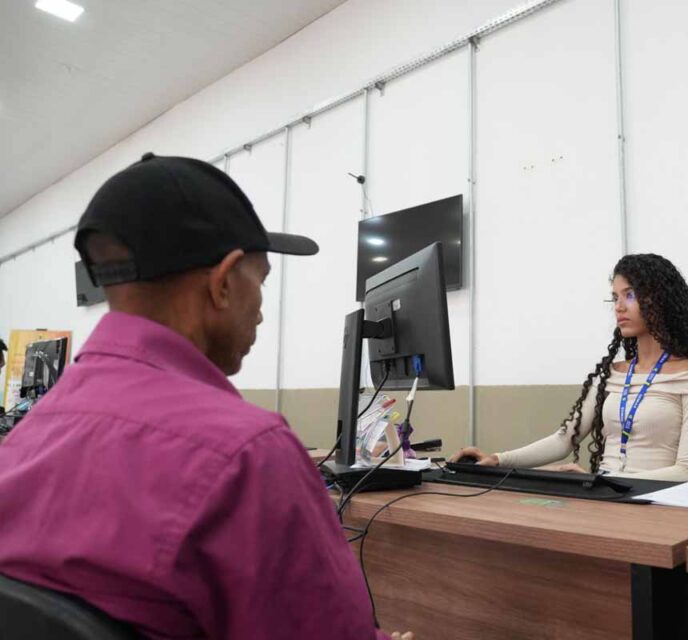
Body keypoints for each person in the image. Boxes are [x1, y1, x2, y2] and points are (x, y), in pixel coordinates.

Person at [0, 154, 413, 639]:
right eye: (261, 280)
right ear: (223, 284)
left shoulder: (24, 441)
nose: (261, 311)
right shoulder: (248, 456)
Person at [452, 253, 688, 483]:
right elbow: (563, 440)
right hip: (605, 497)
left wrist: (602, 483)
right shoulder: (614, 374)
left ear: (661, 300)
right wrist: (498, 460)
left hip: (656, 506)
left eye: (630, 295)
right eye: (615, 297)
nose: (619, 306)